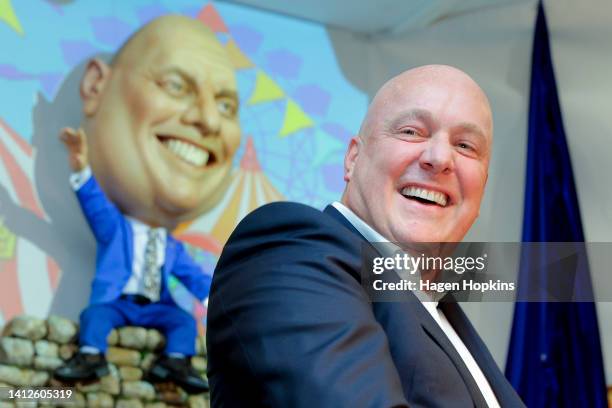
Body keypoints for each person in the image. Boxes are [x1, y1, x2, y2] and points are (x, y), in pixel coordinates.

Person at [207, 65, 525, 407]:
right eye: (411, 131)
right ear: (352, 158)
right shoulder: (289, 249)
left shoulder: (440, 308)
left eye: (465, 146)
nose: (439, 158)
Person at [53, 15, 241, 394]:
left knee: (183, 323)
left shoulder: (171, 248)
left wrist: (226, 300)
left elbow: (195, 279)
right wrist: (80, 169)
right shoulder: (116, 228)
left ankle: (175, 362)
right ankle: (90, 355)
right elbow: (93, 202)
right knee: (96, 316)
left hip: (155, 307)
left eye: (225, 106)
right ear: (96, 86)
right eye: (175, 85)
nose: (207, 120)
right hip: (118, 302)